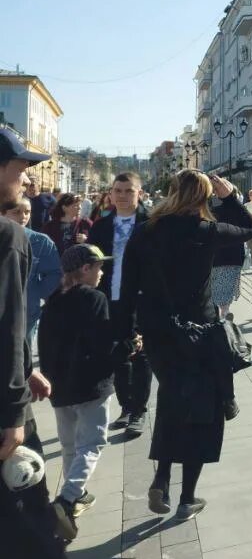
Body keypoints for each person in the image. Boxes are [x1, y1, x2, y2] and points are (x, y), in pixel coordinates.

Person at [120, 169, 252, 519]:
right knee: (203, 411)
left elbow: (128, 286)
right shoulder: (207, 231)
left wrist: (128, 330)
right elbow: (251, 229)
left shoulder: (146, 231)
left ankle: (162, 479)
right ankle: (187, 497)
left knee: (170, 399)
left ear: (172, 191)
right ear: (205, 196)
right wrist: (229, 197)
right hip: (200, 331)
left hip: (159, 332)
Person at [0, 129, 69, 559]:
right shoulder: (9, 236)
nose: (27, 178)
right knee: (32, 527)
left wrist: (26, 369)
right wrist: (12, 412)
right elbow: (8, 324)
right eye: (20, 167)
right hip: (7, 415)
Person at [38, 243, 119, 540]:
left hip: (59, 387)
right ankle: (67, 498)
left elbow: (43, 347)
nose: (101, 272)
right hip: (90, 383)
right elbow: (102, 344)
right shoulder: (93, 298)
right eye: (98, 267)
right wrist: (126, 350)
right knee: (93, 443)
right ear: (85, 268)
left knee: (70, 445)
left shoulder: (54, 300)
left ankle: (77, 495)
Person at [88, 172, 152, 440]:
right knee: (117, 356)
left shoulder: (151, 224)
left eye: (128, 191)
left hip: (142, 299)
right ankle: (126, 406)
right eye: (118, 190)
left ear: (139, 193)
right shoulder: (101, 226)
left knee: (140, 355)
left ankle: (139, 409)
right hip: (110, 298)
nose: (122, 196)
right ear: (110, 194)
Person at [1, 196, 60, 350]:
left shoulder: (41, 241)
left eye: (27, 212)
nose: (23, 216)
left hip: (26, 312)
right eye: (17, 212)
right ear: (3, 213)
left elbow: (54, 273)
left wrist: (35, 293)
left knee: (20, 355)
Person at [211, 184, 248, 319]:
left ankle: (218, 316)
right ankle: (225, 312)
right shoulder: (240, 211)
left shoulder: (212, 209)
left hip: (215, 255)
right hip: (235, 254)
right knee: (227, 288)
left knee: (213, 289)